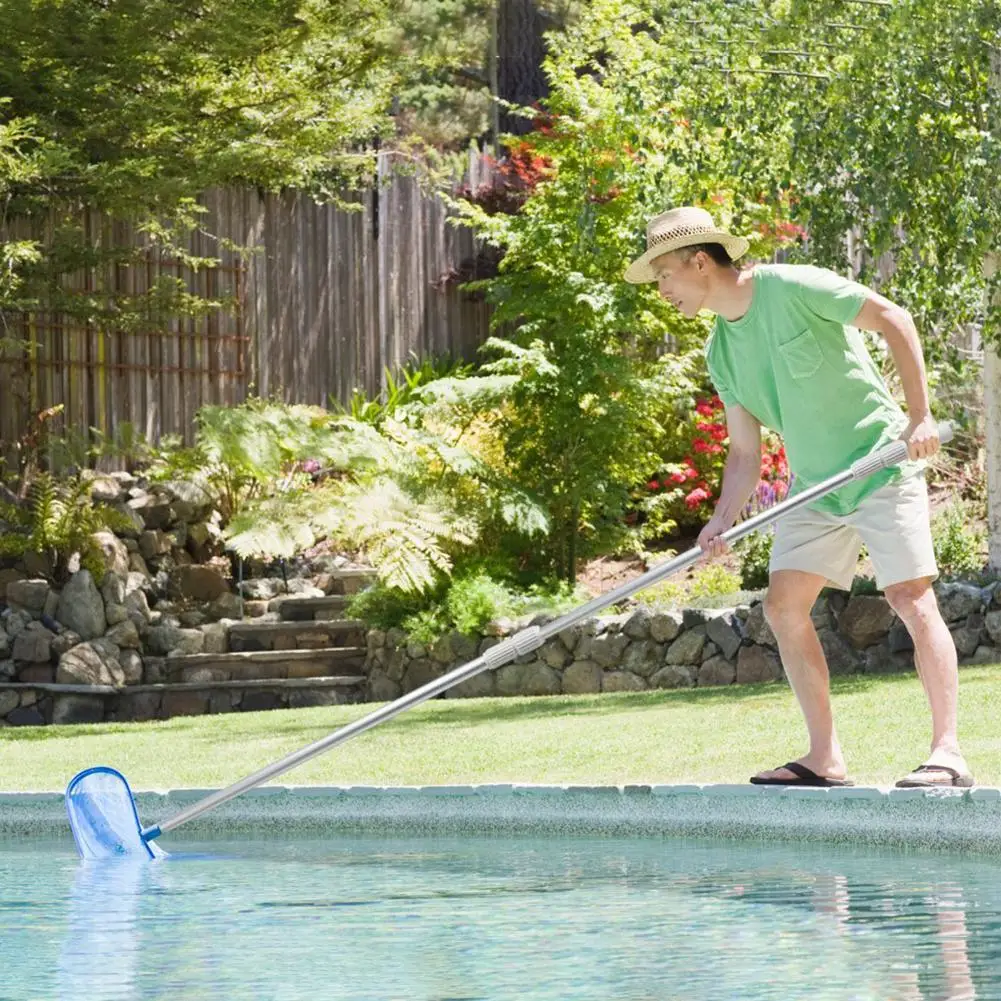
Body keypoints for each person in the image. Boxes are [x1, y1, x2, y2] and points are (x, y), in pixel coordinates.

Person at [624, 206, 973, 788]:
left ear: (699, 262)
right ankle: (824, 758)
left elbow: (894, 318)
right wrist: (717, 524)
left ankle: (948, 753)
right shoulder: (721, 352)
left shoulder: (794, 286)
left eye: (663, 275)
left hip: (879, 462)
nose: (660, 290)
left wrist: (919, 417)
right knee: (783, 608)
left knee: (910, 597)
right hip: (814, 485)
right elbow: (743, 456)